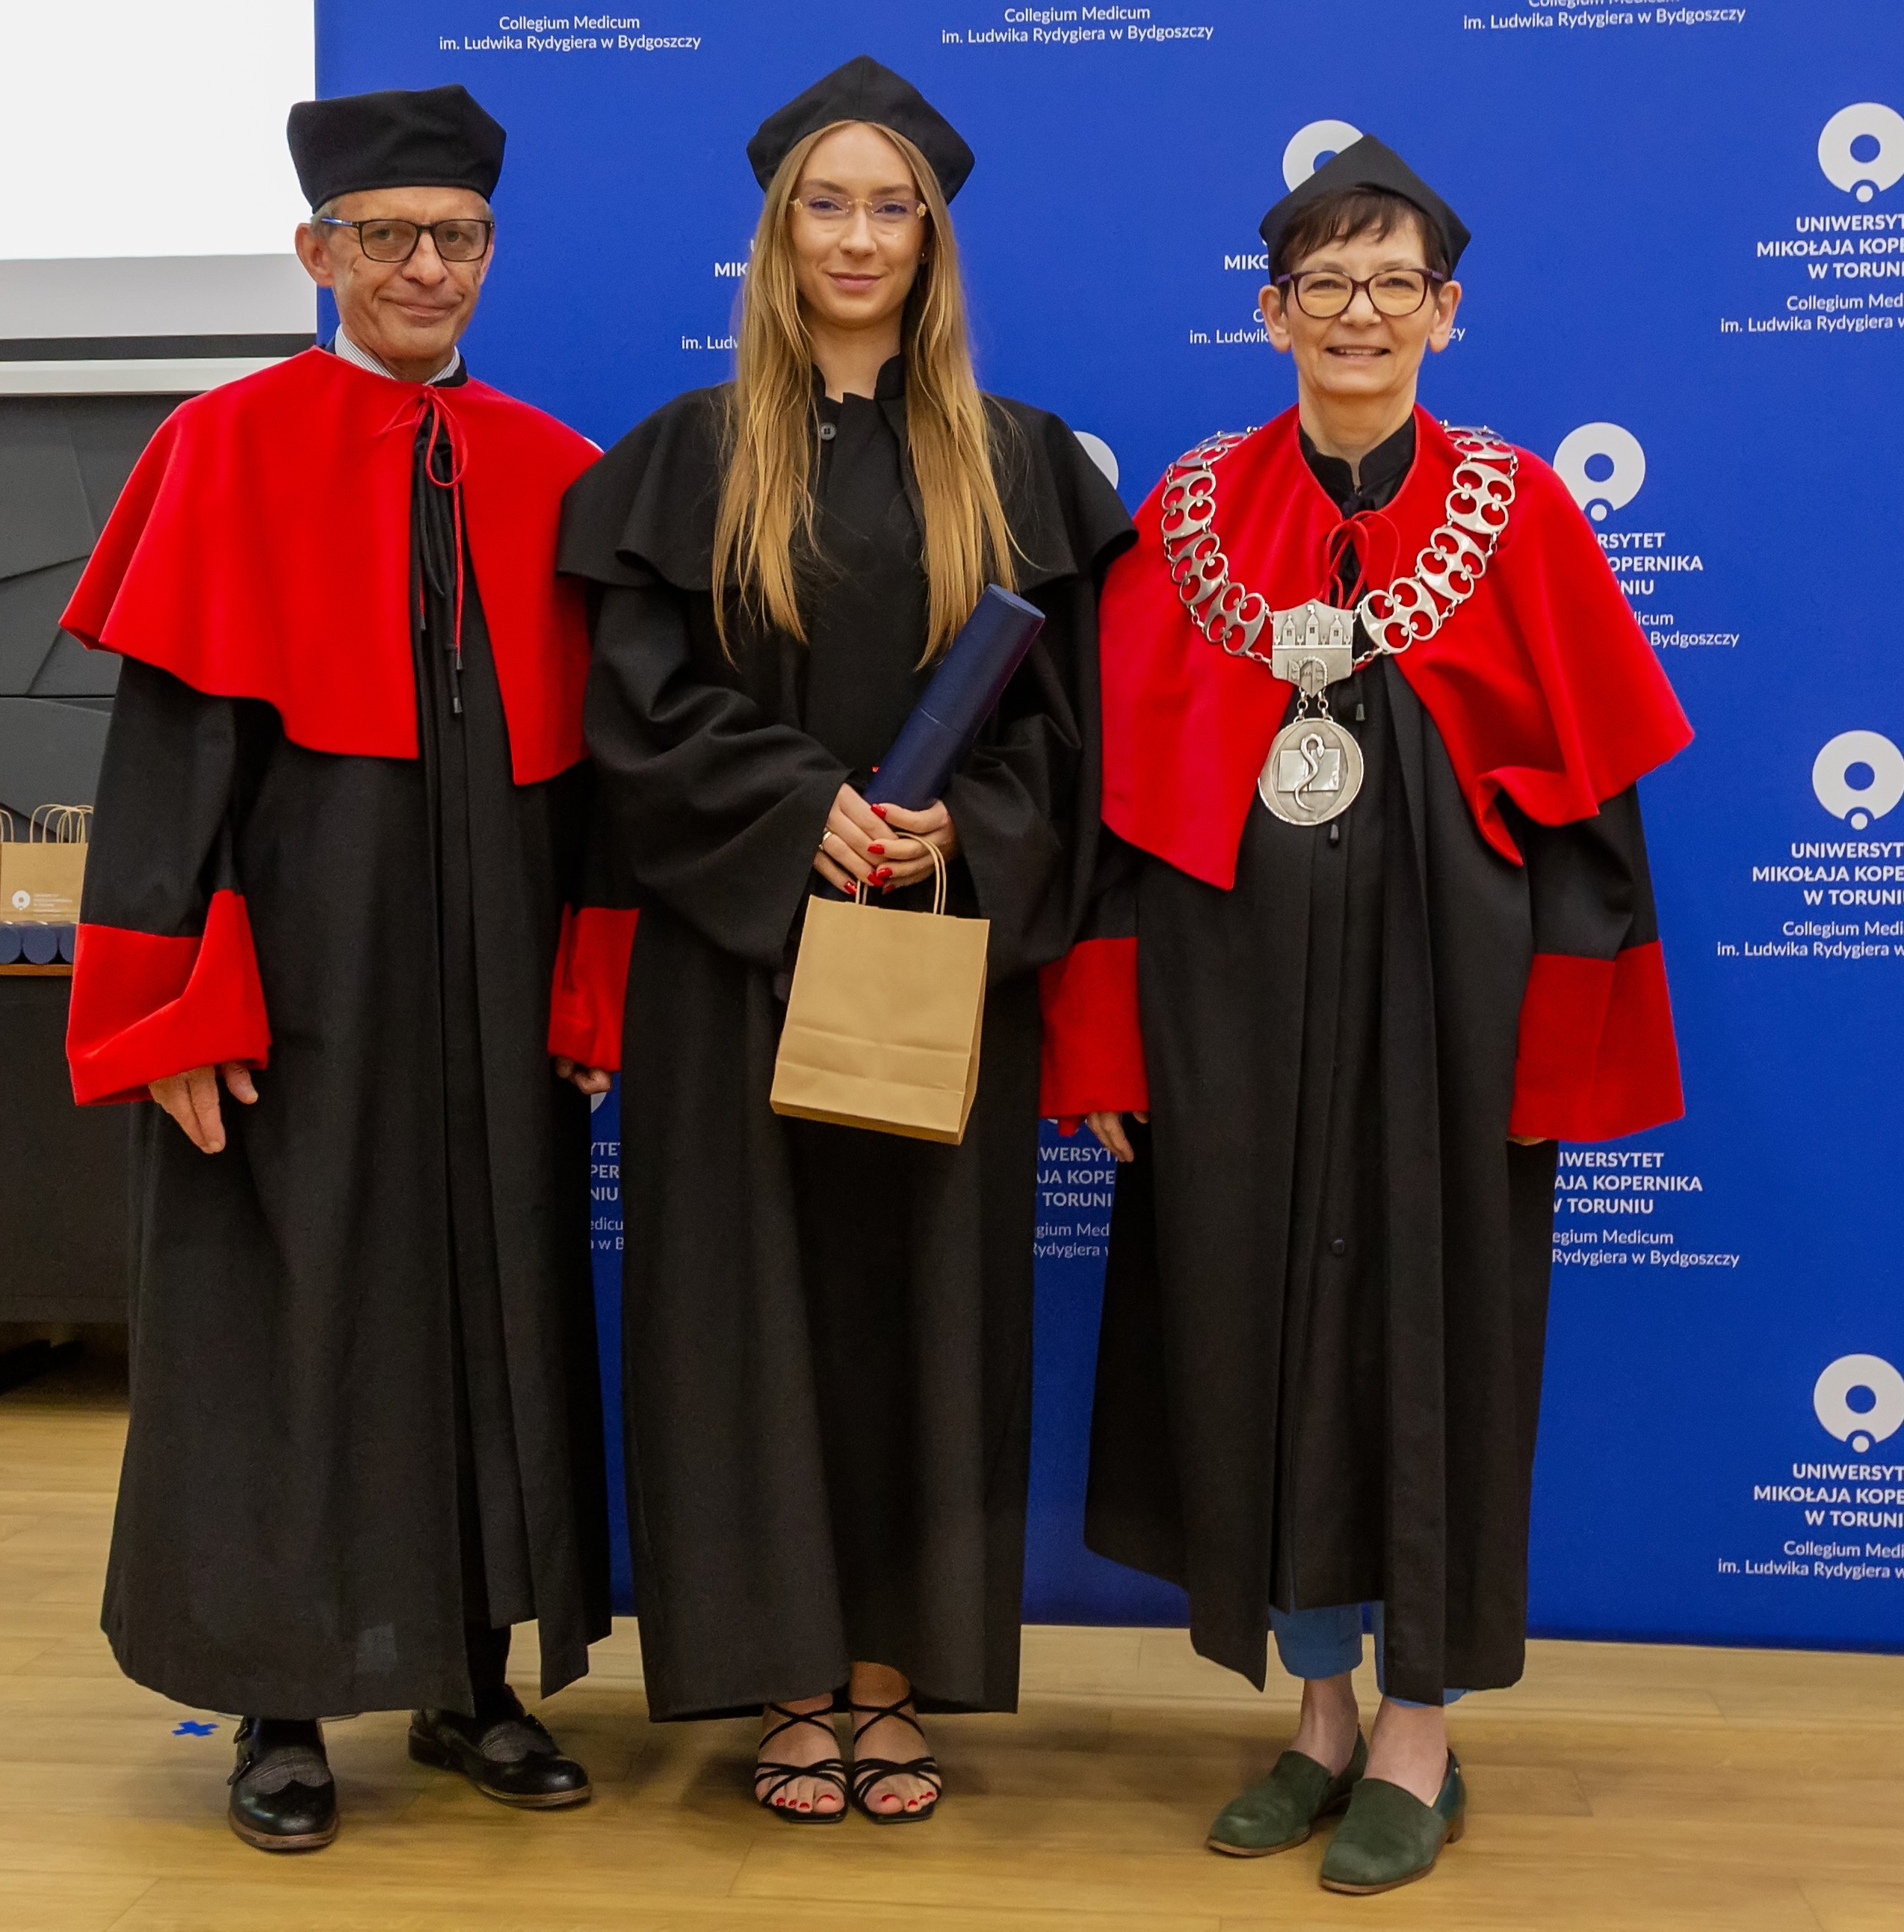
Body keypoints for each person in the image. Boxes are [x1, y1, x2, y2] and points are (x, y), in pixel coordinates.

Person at [1039, 135, 1692, 1894]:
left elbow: (1598, 823)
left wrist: (1555, 1053)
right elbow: (1115, 805)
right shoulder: (1189, 517)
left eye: (1392, 283)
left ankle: (1419, 1732)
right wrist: (1103, 1034)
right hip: (1228, 1008)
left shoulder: (1517, 512)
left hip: (1450, 1016)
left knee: (1435, 1349)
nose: (1358, 313)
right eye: (1323, 282)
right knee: (1252, 1339)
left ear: (1445, 312)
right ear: (1270, 313)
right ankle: (1317, 1711)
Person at [547, 55, 1129, 1824]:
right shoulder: (685, 457)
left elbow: (1074, 743)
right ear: (777, 232)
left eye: (892, 208)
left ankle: (891, 1684)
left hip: (937, 958)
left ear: (931, 239)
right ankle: (785, 1686)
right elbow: (636, 716)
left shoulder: (1018, 462)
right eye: (828, 204)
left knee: (923, 1319)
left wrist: (971, 825)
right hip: (733, 965)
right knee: (746, 1322)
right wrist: (800, 804)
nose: (859, 237)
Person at [58, 85, 610, 1854]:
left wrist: (588, 990)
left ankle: (469, 1680)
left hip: (493, 979)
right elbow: (165, 776)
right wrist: (164, 1014)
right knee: (281, 1323)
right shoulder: (222, 449)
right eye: (386, 238)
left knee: (488, 1308)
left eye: (456, 237)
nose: (424, 267)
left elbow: (602, 784)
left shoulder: (554, 468)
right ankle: (279, 1702)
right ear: (318, 252)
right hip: (289, 987)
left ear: (489, 255)